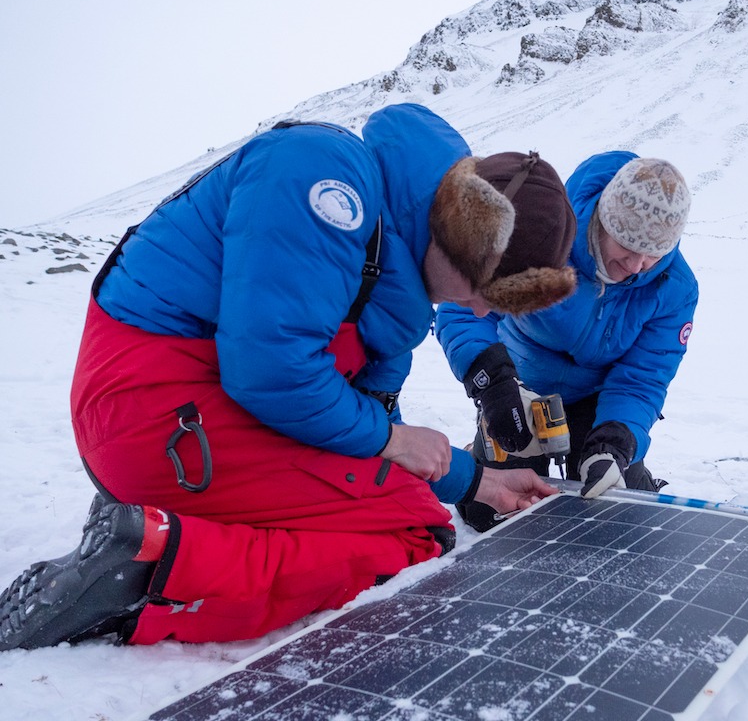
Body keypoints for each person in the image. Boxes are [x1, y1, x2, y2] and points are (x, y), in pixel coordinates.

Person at [0, 103, 577, 650]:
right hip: (149, 410)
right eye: (485, 294)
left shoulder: (397, 266)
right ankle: (148, 570)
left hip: (194, 412)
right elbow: (272, 371)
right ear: (462, 242)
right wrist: (394, 440)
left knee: (402, 509)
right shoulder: (322, 177)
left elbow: (365, 423)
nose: (479, 314)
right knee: (413, 531)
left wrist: (473, 481)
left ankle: (155, 543)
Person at [436, 152, 697, 531]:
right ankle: (481, 450)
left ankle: (609, 455)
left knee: (616, 513)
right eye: (626, 244)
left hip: (599, 400)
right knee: (495, 515)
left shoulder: (674, 288)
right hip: (520, 385)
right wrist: (491, 381)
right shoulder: (546, 233)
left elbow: (644, 377)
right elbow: (462, 308)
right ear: (602, 223)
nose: (638, 265)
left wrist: (616, 441)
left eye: (653, 253)